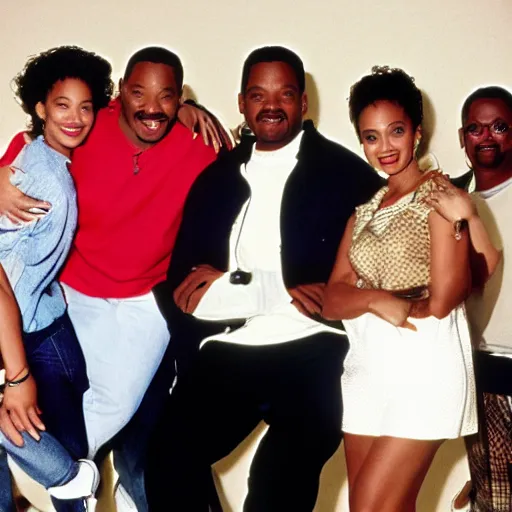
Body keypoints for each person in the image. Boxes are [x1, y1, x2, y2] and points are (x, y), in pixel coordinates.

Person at [144, 45, 383, 512]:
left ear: (304, 102)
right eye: (258, 94)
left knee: (278, 481)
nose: (271, 105)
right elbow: (189, 293)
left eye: (285, 94)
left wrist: (235, 284)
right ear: (241, 103)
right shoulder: (215, 180)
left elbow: (368, 278)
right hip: (229, 350)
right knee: (167, 458)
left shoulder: (345, 174)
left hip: (316, 348)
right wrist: (275, 289)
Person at [0, 46, 225, 510]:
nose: (151, 106)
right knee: (56, 424)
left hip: (145, 300)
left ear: (179, 96)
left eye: (166, 96)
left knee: (105, 423)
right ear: (120, 93)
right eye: (138, 92)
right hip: (71, 291)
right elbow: (29, 150)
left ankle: (85, 486)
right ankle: (64, 482)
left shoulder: (200, 145)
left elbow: (243, 192)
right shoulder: (87, 123)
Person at [322, 66, 479, 512]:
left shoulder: (439, 196)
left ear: (416, 132)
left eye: (395, 131)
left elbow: (447, 297)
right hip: (367, 366)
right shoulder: (364, 211)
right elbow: (333, 299)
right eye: (371, 137)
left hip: (423, 364)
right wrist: (377, 299)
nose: (384, 147)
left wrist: (459, 222)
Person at [0, 45, 114, 512]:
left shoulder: (44, 168)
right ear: (40, 108)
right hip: (30, 330)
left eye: (85, 107)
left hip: (38, 329)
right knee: (66, 471)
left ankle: (69, 479)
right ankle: (69, 479)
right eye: (62, 105)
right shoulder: (39, 171)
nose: (76, 118)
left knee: (64, 457)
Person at [428, 86, 512, 512]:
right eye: (476, 129)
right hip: (481, 370)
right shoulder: (448, 203)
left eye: (499, 127)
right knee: (496, 500)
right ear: (462, 139)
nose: (487, 137)